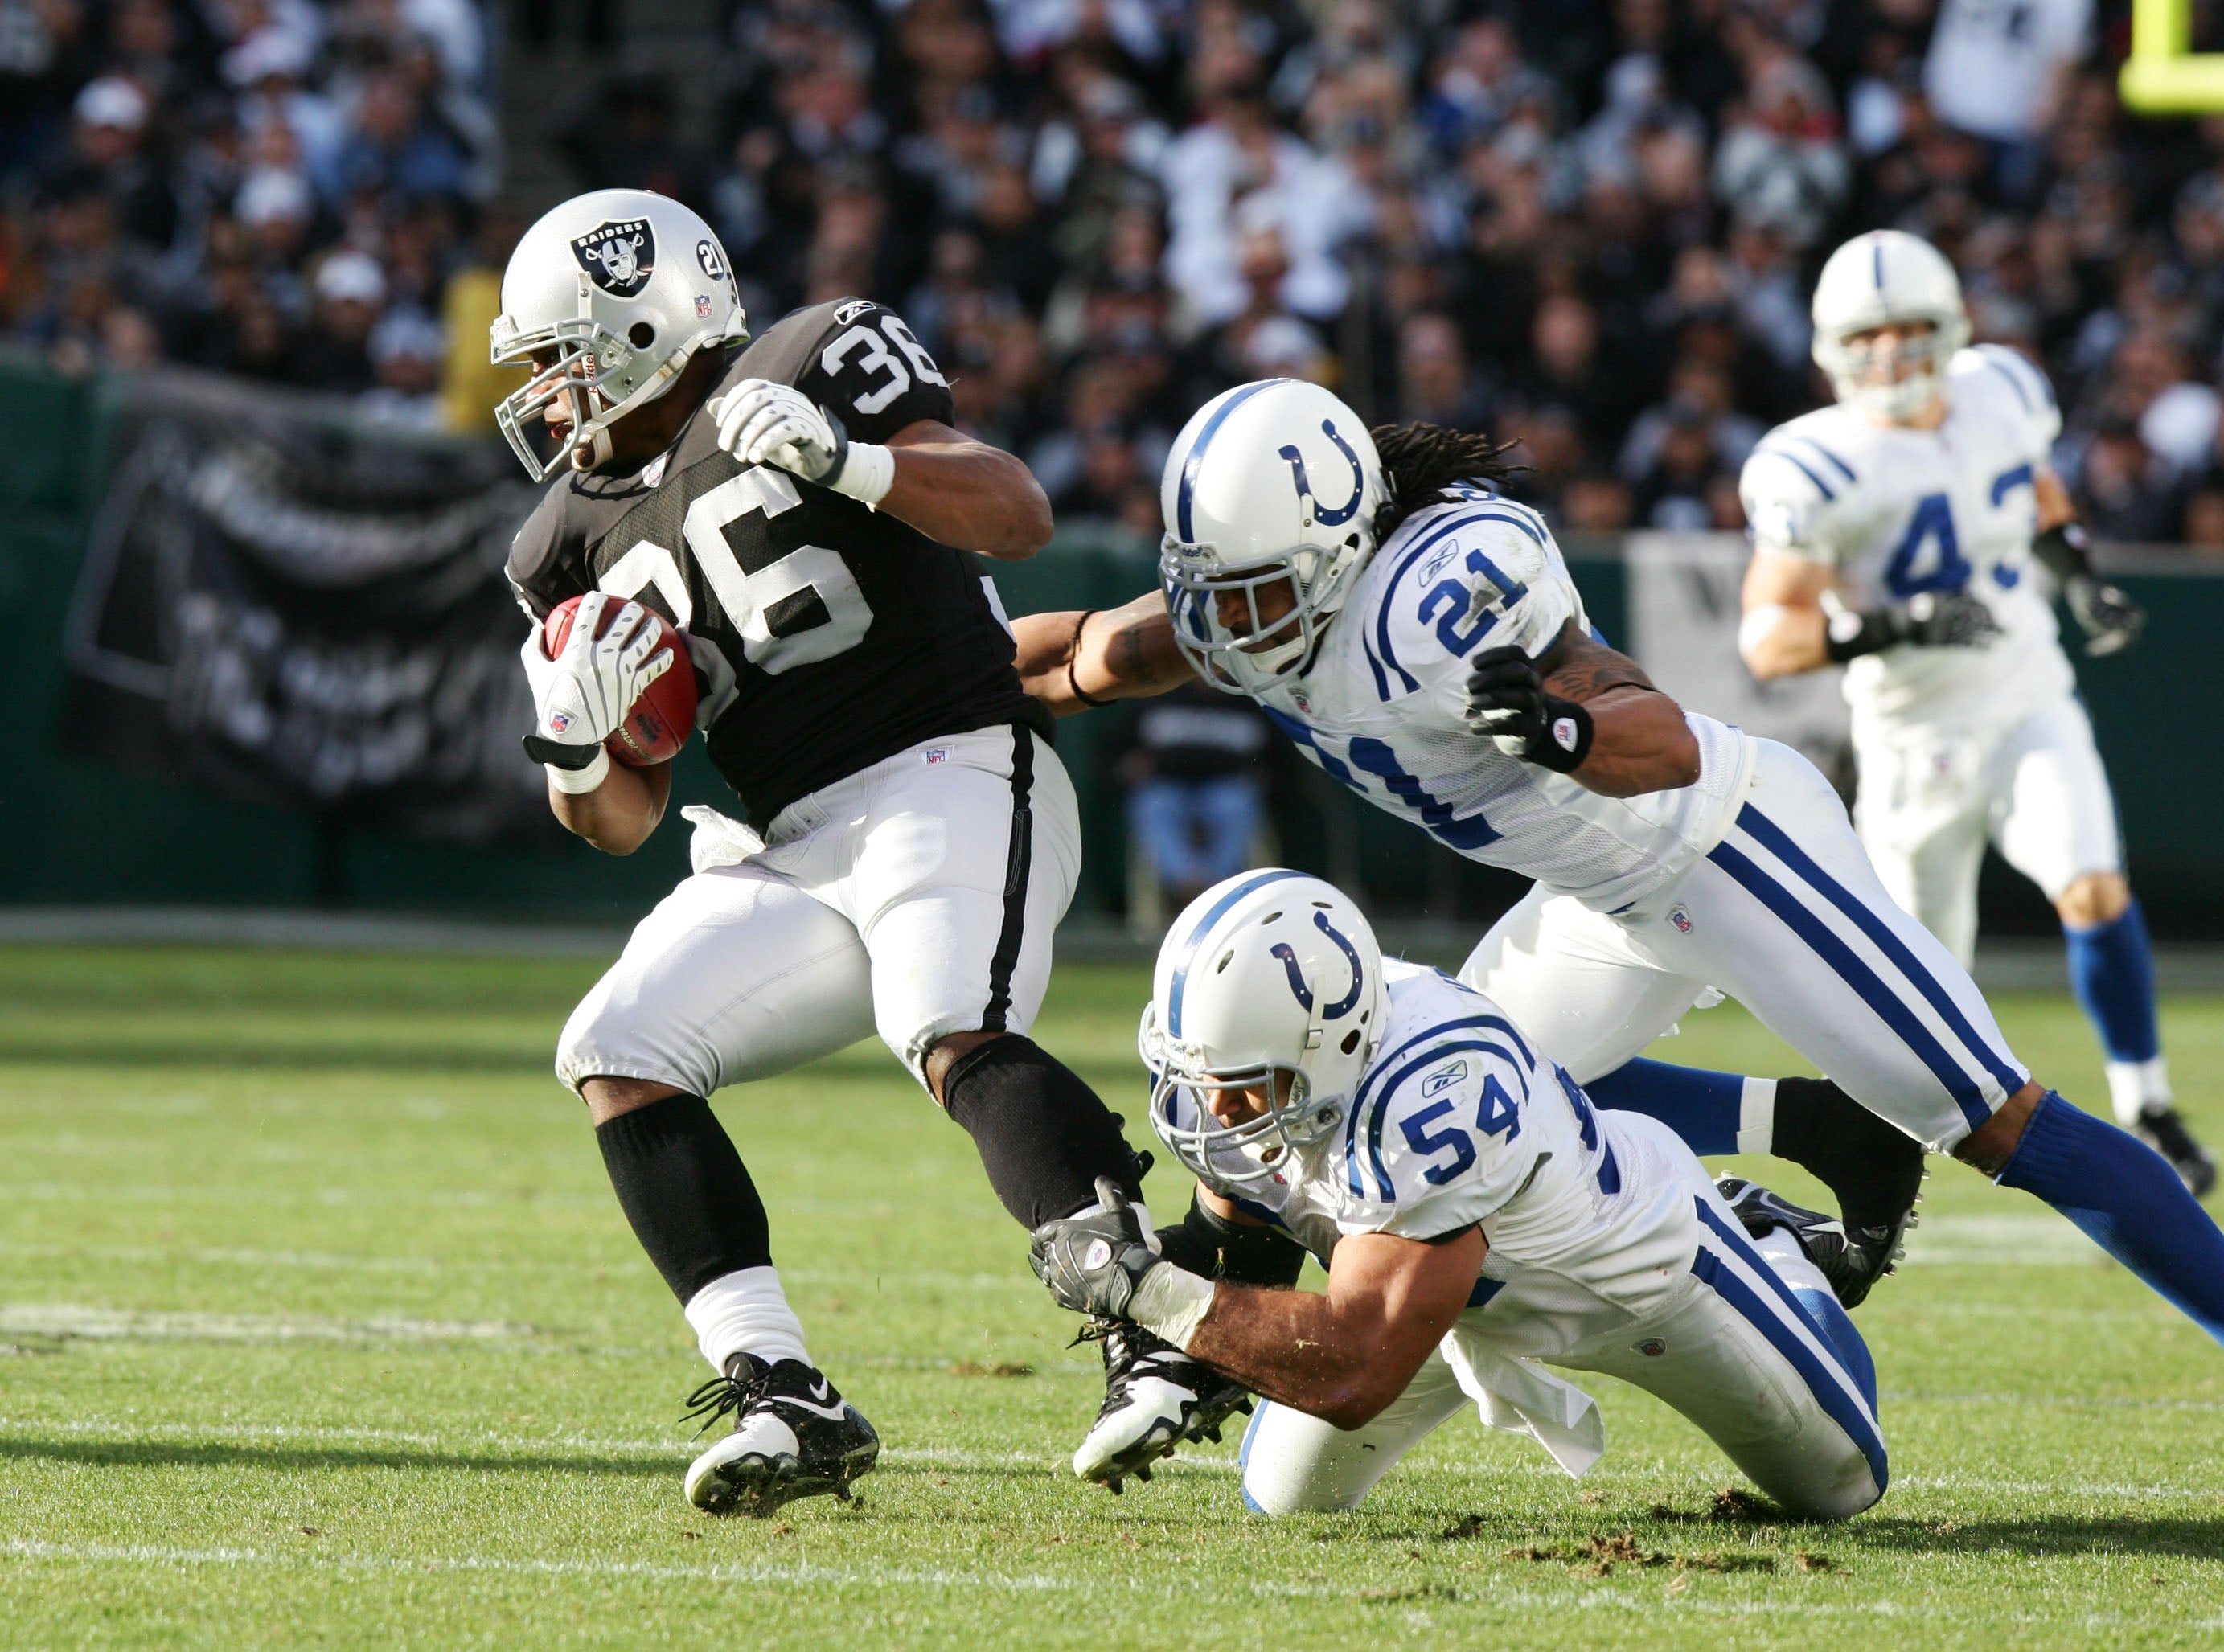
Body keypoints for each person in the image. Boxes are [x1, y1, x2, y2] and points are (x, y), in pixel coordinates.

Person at [1011, 375, 2224, 1469]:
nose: (1234, 622)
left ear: (1336, 549)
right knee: (1450, 1105)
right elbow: (1072, 658)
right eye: (1212, 592)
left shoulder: (1435, 596)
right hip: (1597, 899)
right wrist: (911, 692)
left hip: (1726, 851)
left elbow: (1662, 735)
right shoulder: (1242, 610)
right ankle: (1788, 1153)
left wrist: (1561, 730)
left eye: (1259, 591)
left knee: (2000, 1122)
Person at [494, 187, 1183, 1516]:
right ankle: (780, 1390)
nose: (548, 395)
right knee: (617, 1046)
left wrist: (851, 462)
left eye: (558, 359)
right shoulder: (562, 542)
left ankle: (1152, 1330)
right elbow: (622, 820)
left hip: (953, 763)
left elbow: (1018, 511)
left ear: (640, 323)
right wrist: (577, 756)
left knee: (945, 1022)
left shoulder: (808, 362)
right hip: (791, 836)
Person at [1028, 871, 1887, 1519]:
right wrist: (1162, 1351)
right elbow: (1243, 1237)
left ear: (1334, 1043)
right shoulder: (1252, 1065)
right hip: (1441, 1299)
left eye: (1248, 1084)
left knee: (1842, 1486)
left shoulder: (1434, 1086)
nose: (1217, 1108)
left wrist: (1145, 1288)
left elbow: (1355, 1369)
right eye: (1204, 1075)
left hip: (1644, 1283)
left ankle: (1760, 1238)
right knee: (1284, 1500)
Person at [1737, 229, 2214, 1195]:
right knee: (1918, 991)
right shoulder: (1817, 462)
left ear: (1951, 327)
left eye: (1911, 330)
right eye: (1868, 337)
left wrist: (2075, 574)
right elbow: (1769, 640)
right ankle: (1875, 1162)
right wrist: (1893, 624)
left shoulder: (2000, 389)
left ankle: (2148, 1104)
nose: (1892, 356)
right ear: (1834, 347)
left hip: (2028, 691)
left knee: (2092, 884)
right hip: (1915, 737)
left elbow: (2035, 487)